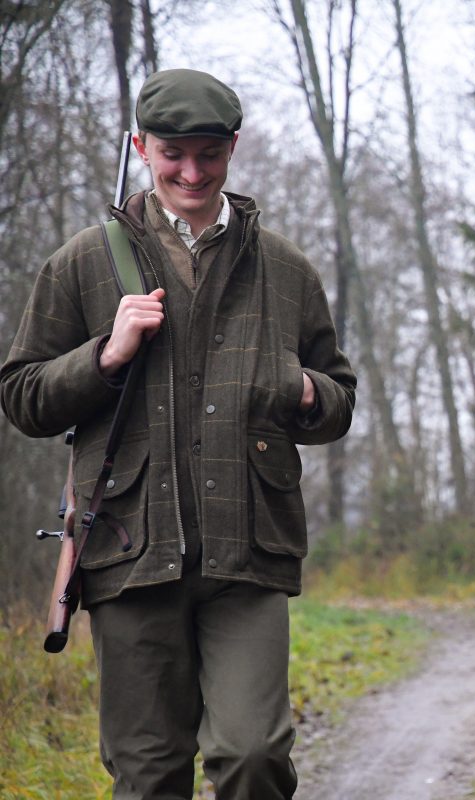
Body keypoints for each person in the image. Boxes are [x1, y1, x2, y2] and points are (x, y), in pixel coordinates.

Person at [1, 68, 355, 799]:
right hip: (129, 553)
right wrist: (103, 356)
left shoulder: (284, 270)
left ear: (232, 148)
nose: (191, 172)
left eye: (209, 154)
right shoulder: (82, 263)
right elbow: (22, 396)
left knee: (253, 756)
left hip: (247, 554)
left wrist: (307, 389)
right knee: (148, 773)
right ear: (141, 147)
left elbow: (340, 397)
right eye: (172, 154)